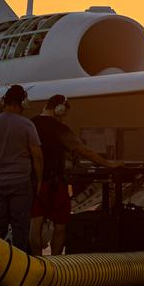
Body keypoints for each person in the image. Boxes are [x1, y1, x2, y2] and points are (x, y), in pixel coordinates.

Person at [28, 94, 116, 255]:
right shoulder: (59, 128)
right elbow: (83, 150)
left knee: (35, 224)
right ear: (59, 109)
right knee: (61, 225)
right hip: (55, 183)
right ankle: (57, 263)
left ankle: (36, 262)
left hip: (35, 182)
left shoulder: (31, 124)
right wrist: (109, 163)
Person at [0, 84, 44, 253]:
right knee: (20, 227)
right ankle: (19, 268)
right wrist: (39, 180)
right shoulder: (27, 125)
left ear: (4, 102)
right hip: (21, 183)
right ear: (23, 104)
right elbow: (37, 155)